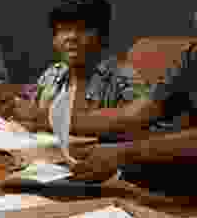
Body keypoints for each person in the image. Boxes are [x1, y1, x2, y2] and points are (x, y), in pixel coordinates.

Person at [6, 0, 150, 131]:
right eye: (64, 29)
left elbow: (138, 129)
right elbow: (31, 118)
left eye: (83, 29)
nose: (72, 37)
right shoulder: (51, 75)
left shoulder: (123, 80)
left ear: (103, 36)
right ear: (54, 39)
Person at [66, 42, 197, 194]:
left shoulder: (121, 74)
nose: (71, 38)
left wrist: (125, 154)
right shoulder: (192, 55)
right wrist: (61, 121)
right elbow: (136, 113)